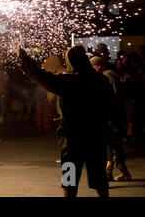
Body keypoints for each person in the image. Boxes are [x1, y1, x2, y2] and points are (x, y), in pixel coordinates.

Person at [18, 46, 114, 197]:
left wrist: (25, 61)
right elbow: (111, 105)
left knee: (69, 181)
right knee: (100, 180)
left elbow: (43, 77)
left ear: (71, 63)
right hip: (97, 138)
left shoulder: (68, 82)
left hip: (73, 142)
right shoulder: (101, 80)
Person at [90, 56, 132, 181]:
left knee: (112, 142)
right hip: (112, 115)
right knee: (112, 143)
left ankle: (111, 172)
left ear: (97, 66)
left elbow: (114, 97)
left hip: (113, 116)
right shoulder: (107, 75)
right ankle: (118, 172)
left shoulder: (108, 76)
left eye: (92, 67)